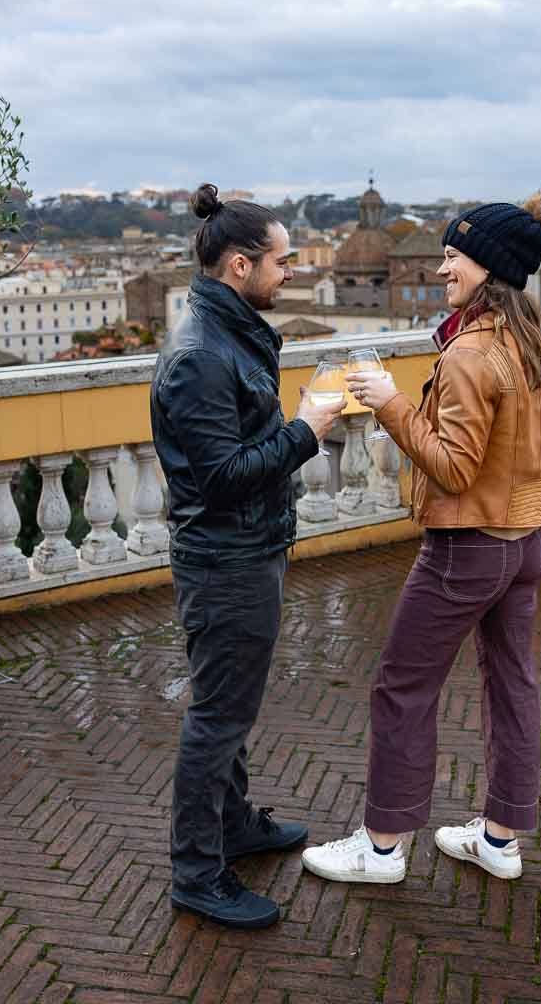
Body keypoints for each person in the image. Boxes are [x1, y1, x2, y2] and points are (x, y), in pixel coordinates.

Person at [301, 192, 541, 886]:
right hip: (526, 542)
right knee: (512, 683)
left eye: (453, 257)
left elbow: (452, 467)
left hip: (467, 547)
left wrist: (390, 402)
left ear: (488, 267)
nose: (443, 268)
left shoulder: (471, 354)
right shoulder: (533, 345)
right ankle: (501, 837)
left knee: (402, 685)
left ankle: (382, 847)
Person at [151, 183, 344, 928]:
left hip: (247, 548)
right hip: (226, 559)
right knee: (218, 716)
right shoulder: (201, 356)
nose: (290, 272)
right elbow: (224, 478)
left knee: (231, 706)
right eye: (283, 261)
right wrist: (306, 432)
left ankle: (231, 825)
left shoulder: (228, 334)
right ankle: (198, 872)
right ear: (240, 265)